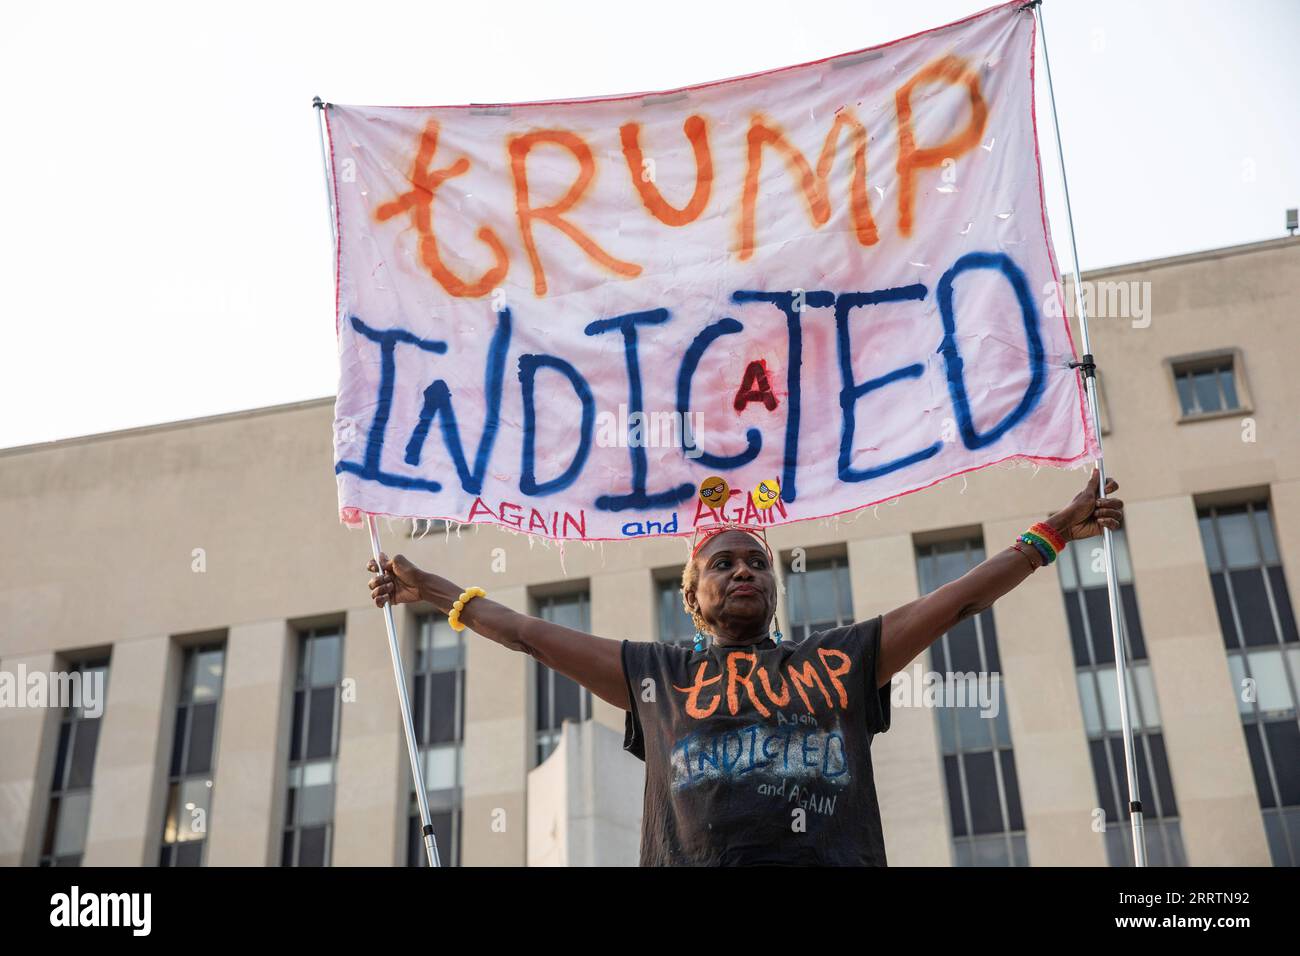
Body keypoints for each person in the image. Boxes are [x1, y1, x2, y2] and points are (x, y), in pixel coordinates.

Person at [368, 469, 1124, 866]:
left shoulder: (840, 660)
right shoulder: (656, 674)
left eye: (757, 563)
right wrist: (430, 589)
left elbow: (955, 603)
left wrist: (1057, 529)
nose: (743, 572)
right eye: (723, 564)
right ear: (692, 597)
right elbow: (531, 635)